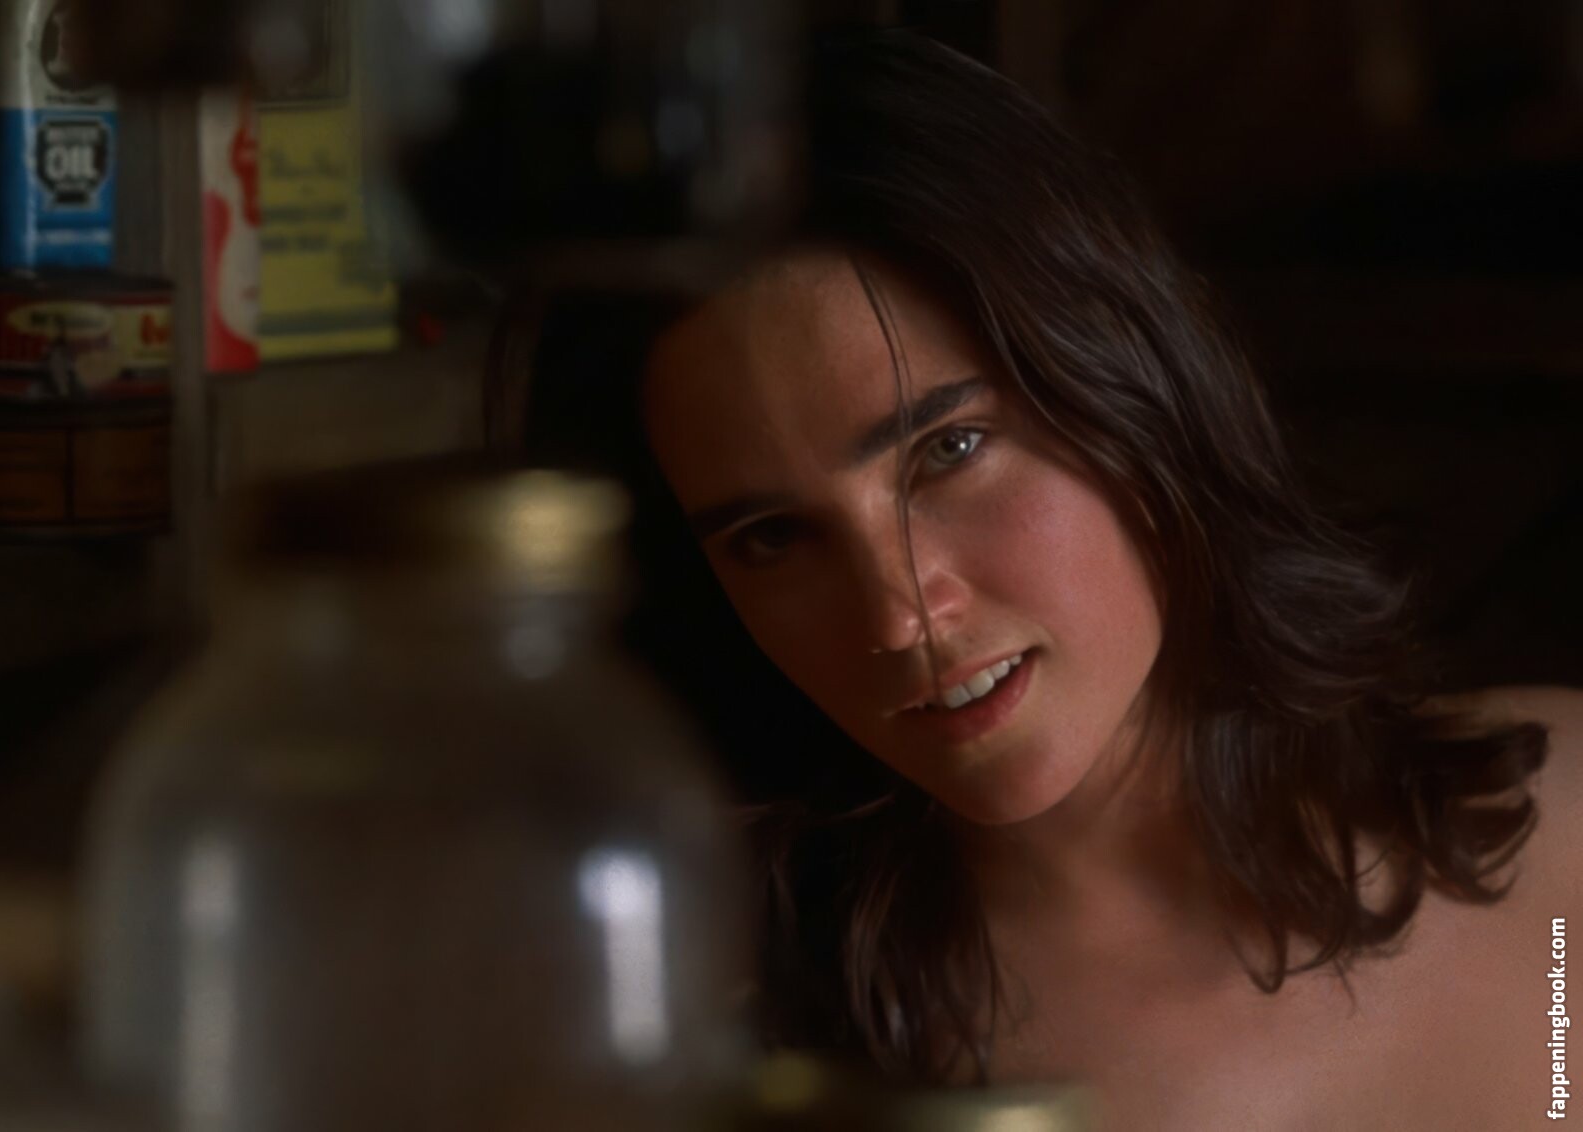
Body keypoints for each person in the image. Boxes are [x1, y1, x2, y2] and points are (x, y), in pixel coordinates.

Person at [499, 26, 1583, 1131]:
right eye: (774, 536)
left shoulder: (1568, 830)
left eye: (950, 450)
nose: (899, 615)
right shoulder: (721, 1057)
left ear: (1134, 390)